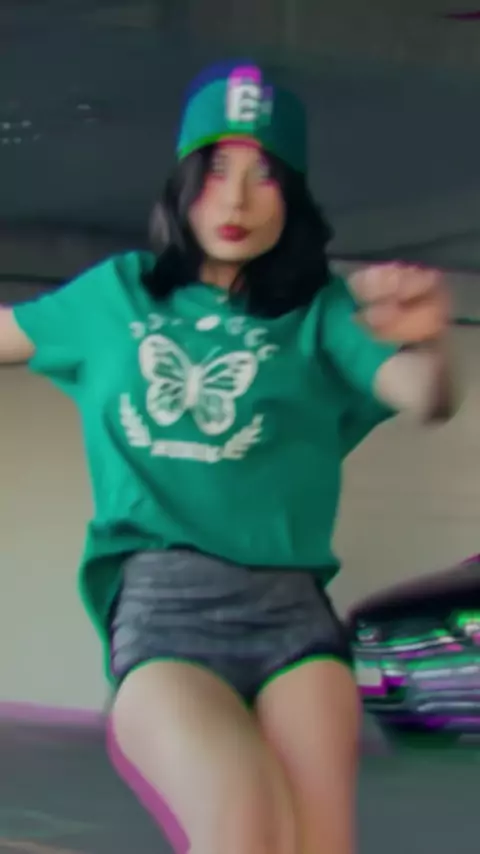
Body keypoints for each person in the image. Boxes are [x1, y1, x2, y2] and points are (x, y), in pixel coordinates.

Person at [1, 61, 453, 854]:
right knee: (242, 826)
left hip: (293, 622)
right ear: (182, 184)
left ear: (294, 197)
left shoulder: (319, 312)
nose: (236, 200)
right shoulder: (119, 294)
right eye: (214, 170)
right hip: (165, 618)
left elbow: (426, 396)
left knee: (319, 844)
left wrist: (430, 344)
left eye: (264, 175)